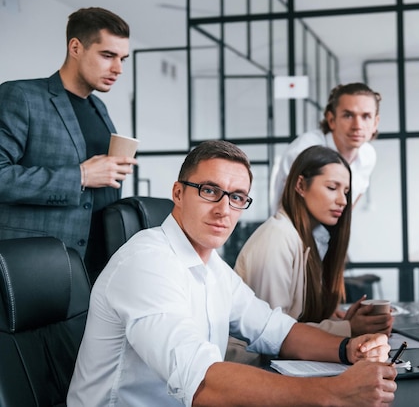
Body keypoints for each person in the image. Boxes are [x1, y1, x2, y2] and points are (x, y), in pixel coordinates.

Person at [66, 140, 397, 406]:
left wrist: (347, 348)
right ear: (178, 194)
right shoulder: (147, 263)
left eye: (237, 197)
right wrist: (333, 394)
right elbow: (202, 382)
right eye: (210, 191)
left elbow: (276, 330)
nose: (224, 209)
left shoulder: (212, 268)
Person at [0, 7, 136, 283]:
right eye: (108, 55)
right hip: (39, 266)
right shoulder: (21, 96)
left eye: (123, 58)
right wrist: (82, 176)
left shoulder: (100, 107)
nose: (118, 69)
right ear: (76, 47)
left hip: (100, 264)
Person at [235, 145, 393, 338]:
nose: (343, 200)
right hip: (256, 364)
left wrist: (344, 322)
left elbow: (296, 321)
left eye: (346, 191)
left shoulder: (313, 239)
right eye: (332, 188)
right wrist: (348, 329)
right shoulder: (277, 238)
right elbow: (272, 334)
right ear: (301, 185)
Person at [270, 82, 381, 213]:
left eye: (366, 116)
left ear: (375, 123)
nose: (357, 125)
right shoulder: (304, 151)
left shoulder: (368, 155)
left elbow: (354, 198)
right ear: (331, 120)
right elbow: (287, 210)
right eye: (348, 115)